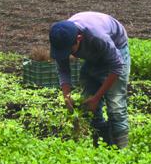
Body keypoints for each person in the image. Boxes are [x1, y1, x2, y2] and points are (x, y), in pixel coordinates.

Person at [49, 11, 130, 148]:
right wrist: (66, 96)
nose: (67, 54)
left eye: (70, 50)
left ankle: (123, 151)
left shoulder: (98, 36)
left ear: (79, 38)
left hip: (117, 50)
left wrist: (97, 97)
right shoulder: (61, 38)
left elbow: (117, 67)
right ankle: (101, 145)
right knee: (88, 105)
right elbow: (63, 69)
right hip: (94, 54)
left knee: (116, 108)